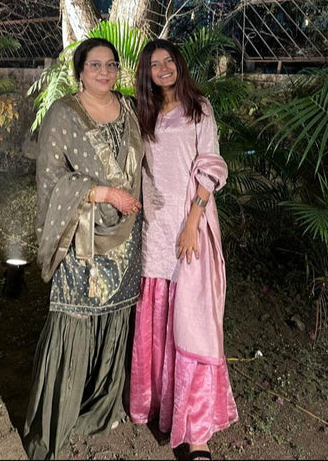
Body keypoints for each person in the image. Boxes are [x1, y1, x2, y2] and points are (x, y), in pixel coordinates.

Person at [24, 37, 144, 460]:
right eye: (95, 65)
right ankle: (54, 424)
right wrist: (104, 193)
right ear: (80, 71)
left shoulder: (130, 109)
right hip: (83, 238)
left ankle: (101, 406)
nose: (104, 72)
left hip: (127, 235)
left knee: (115, 318)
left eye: (111, 64)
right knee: (73, 320)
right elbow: (51, 177)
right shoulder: (63, 114)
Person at [129, 39, 238, 461]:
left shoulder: (199, 109)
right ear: (147, 72)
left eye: (169, 60)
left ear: (179, 64)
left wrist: (192, 222)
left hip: (190, 228)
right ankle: (160, 405)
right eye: (155, 64)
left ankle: (197, 434)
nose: (163, 68)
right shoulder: (143, 113)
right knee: (158, 320)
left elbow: (211, 165)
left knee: (193, 326)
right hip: (155, 232)